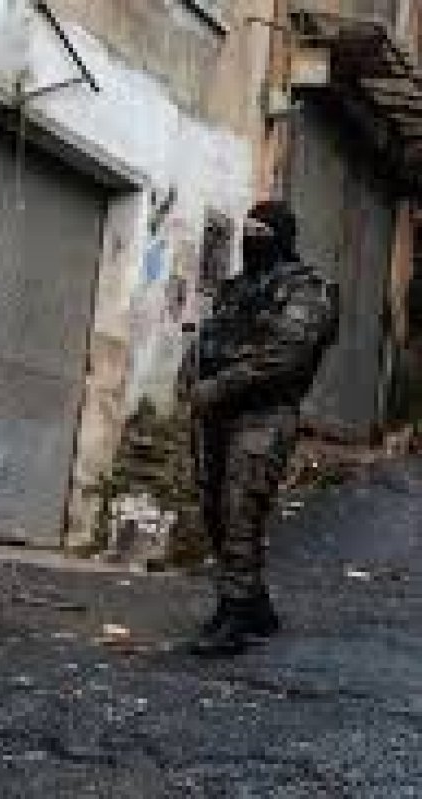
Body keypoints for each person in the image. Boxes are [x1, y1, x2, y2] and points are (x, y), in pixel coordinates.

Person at [183, 200, 338, 657]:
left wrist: (218, 386)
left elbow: (285, 356)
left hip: (265, 415)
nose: (251, 241)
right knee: (215, 509)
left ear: (282, 238)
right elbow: (210, 338)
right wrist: (191, 377)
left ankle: (234, 615)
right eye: (247, 231)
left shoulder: (307, 289)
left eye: (261, 233)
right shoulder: (236, 288)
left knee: (240, 509)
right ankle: (254, 604)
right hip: (219, 414)